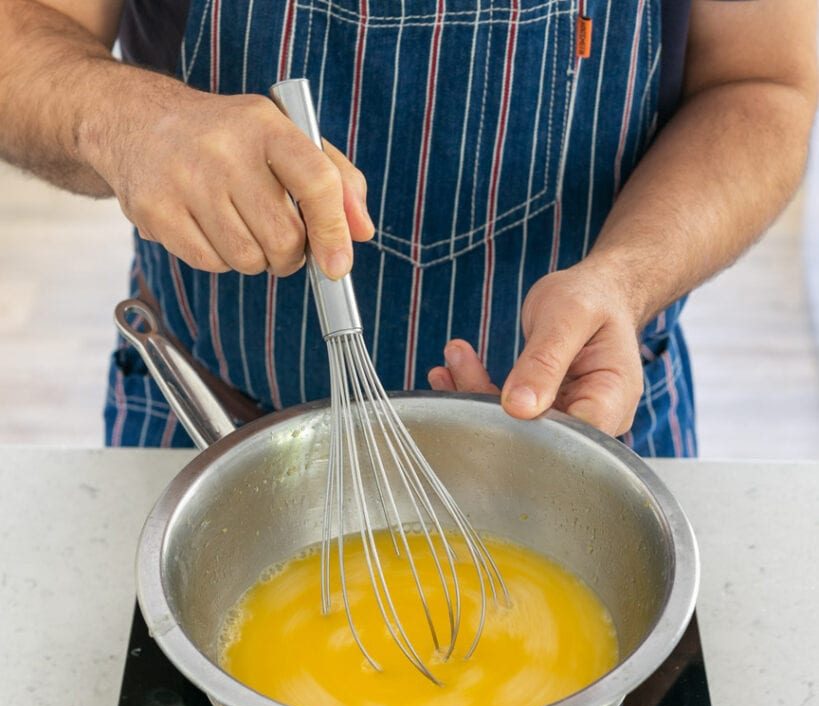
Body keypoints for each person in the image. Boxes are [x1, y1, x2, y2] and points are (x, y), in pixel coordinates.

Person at [0, 0, 815, 455]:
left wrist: (625, 277)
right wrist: (125, 118)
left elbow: (761, 84)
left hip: (588, 432)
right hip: (208, 427)